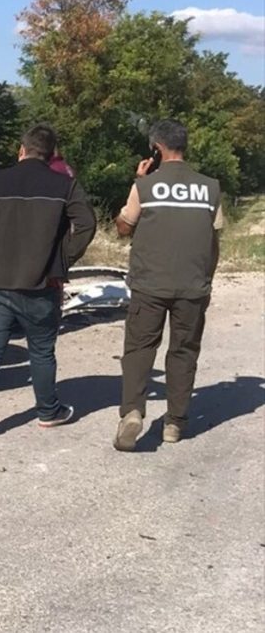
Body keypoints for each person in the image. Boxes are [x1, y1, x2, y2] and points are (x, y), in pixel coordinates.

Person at [0, 124, 96, 437]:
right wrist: (62, 259)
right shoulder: (64, 186)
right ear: (51, 155)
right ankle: (48, 411)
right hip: (42, 284)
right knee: (41, 351)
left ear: (21, 150)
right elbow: (86, 225)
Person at [112, 119, 223, 452]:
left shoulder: (146, 186)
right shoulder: (210, 187)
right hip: (193, 285)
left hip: (149, 284)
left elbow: (122, 228)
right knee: (184, 351)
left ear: (156, 149)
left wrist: (140, 181)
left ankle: (132, 412)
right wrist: (207, 279)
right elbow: (214, 239)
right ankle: (175, 422)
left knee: (139, 350)